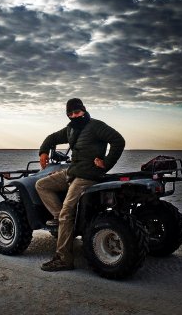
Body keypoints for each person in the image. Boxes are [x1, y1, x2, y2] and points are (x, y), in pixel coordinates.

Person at [36, 98, 125, 272]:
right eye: (70, 114)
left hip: (88, 175)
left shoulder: (96, 126)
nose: (74, 116)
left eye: (77, 112)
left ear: (83, 110)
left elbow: (118, 140)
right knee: (42, 185)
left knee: (67, 211)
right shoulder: (71, 129)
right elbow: (52, 137)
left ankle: (64, 259)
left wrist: (106, 163)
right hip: (72, 172)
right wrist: (43, 151)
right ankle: (61, 219)